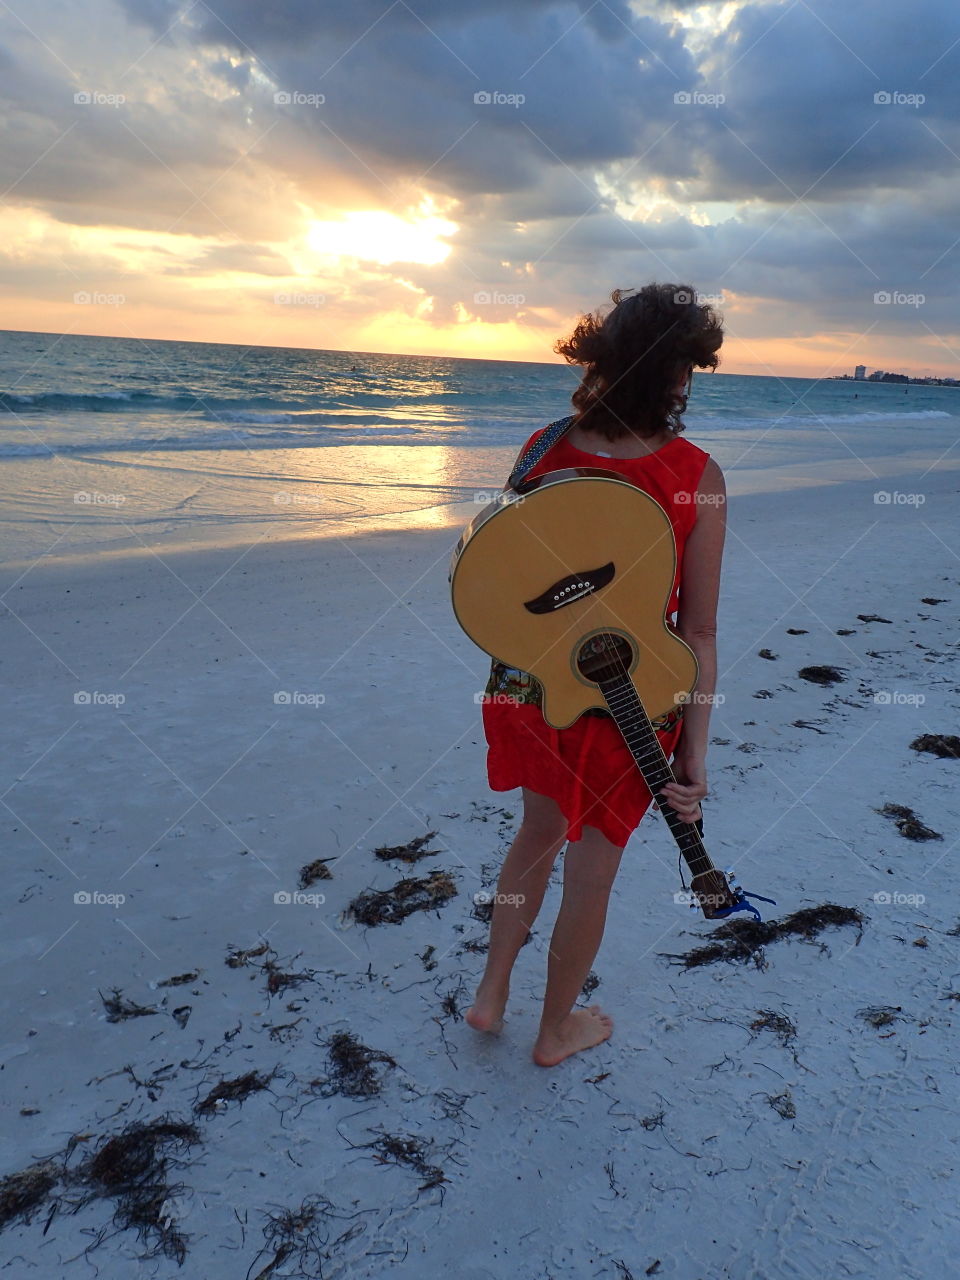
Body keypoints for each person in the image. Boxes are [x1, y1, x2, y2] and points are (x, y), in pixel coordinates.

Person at [465, 283, 726, 1066]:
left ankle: (489, 996)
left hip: (530, 686)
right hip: (630, 702)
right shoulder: (694, 473)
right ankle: (554, 1031)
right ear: (678, 376)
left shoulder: (544, 446)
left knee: (535, 838)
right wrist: (695, 754)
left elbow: (500, 576)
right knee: (593, 873)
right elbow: (699, 629)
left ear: (600, 359)